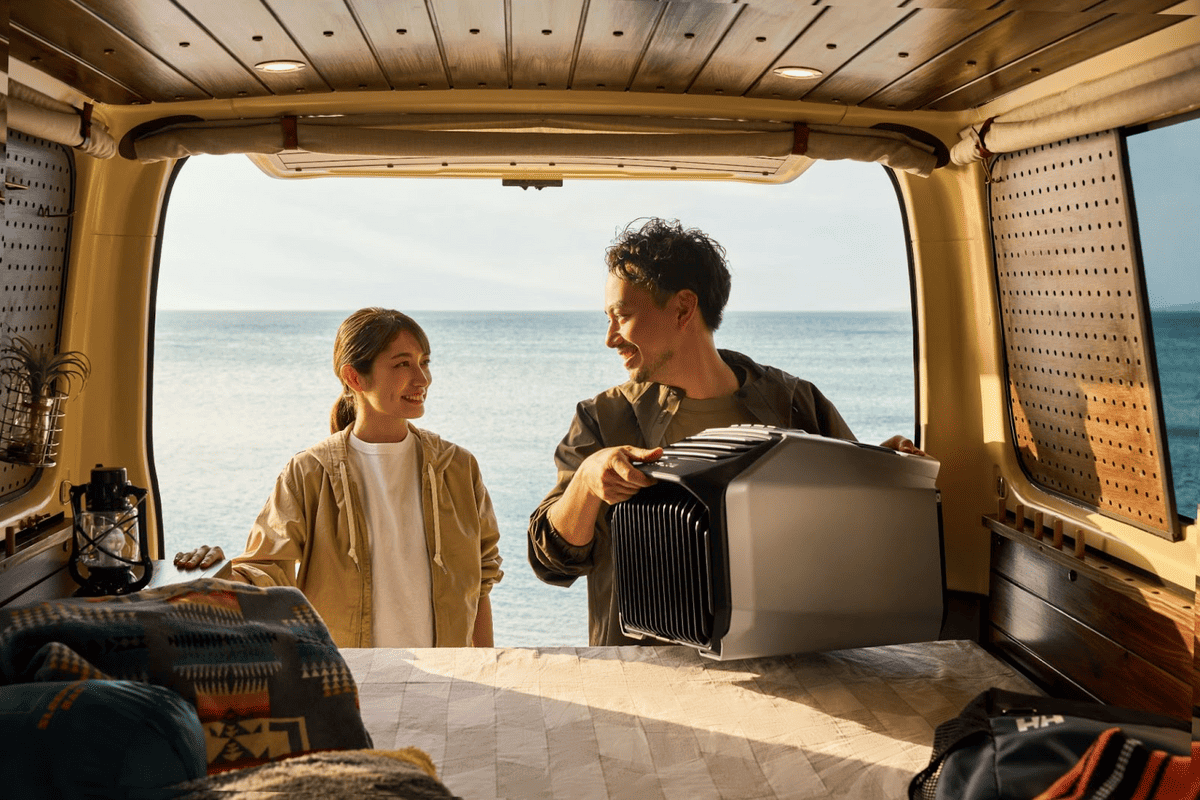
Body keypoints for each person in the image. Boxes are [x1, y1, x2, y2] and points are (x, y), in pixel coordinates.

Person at [527, 217, 925, 646]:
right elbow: (551, 564)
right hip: (644, 675)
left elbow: (851, 525)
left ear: (682, 308)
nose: (610, 338)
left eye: (621, 316)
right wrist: (587, 481)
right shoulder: (601, 419)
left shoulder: (794, 401)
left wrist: (888, 470)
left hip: (784, 661)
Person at [176, 308, 503, 648]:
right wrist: (216, 574)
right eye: (403, 364)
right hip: (348, 679)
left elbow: (481, 584)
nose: (423, 378)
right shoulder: (308, 472)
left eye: (425, 362)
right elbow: (266, 571)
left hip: (448, 679)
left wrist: (482, 674)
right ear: (355, 378)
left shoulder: (458, 468)